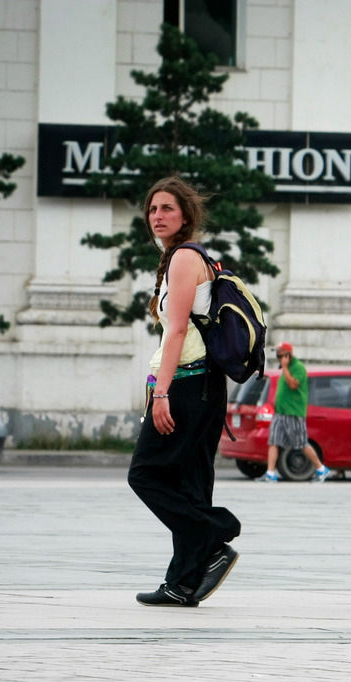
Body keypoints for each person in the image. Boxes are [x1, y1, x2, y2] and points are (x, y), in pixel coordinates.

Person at [127, 176, 240, 607]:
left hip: (191, 384)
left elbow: (175, 331)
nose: (158, 216)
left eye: (167, 209)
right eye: (153, 209)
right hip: (206, 384)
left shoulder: (183, 258)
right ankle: (183, 582)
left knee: (145, 474)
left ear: (186, 215)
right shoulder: (197, 258)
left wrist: (160, 394)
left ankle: (216, 529)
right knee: (189, 483)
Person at [263, 342, 330, 483]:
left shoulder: (298, 368)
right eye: (278, 355)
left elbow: (293, 384)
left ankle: (321, 469)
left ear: (288, 355)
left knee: (301, 443)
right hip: (280, 412)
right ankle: (270, 473)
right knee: (274, 441)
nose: (279, 358)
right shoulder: (285, 368)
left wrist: (286, 368)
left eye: (281, 355)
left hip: (293, 413)